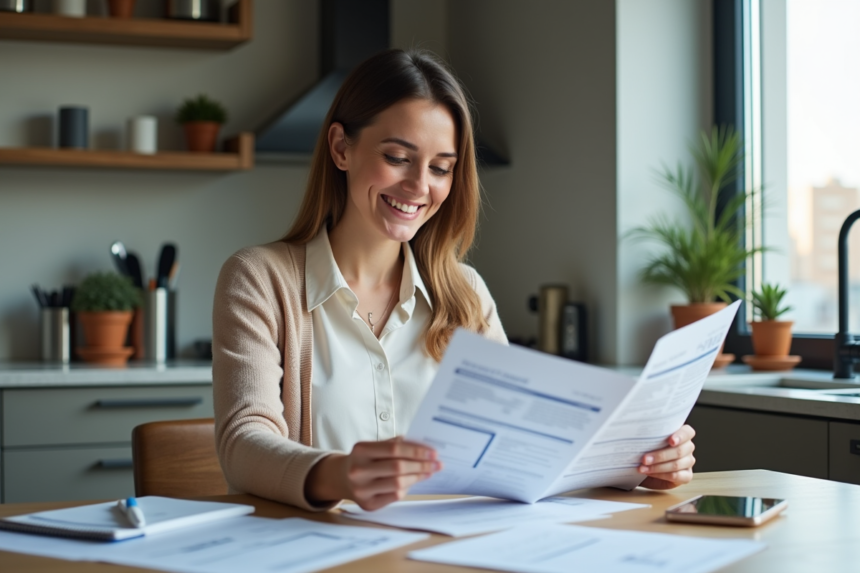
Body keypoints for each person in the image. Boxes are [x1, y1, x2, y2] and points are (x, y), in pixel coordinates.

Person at [212, 49, 697, 512]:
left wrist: (639, 462)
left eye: (441, 168)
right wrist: (337, 475)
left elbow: (522, 442)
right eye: (398, 157)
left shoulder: (466, 293)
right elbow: (244, 440)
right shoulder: (259, 278)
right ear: (342, 147)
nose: (420, 186)